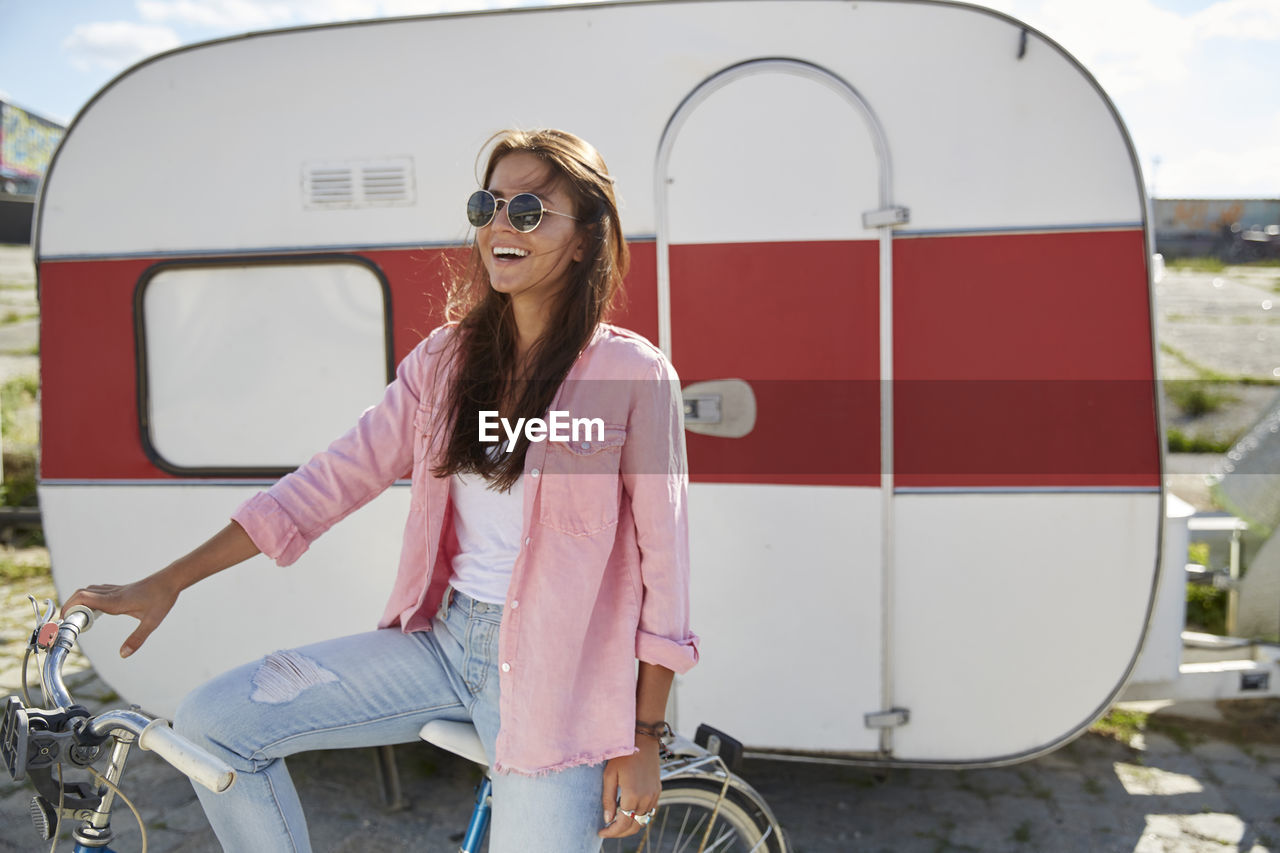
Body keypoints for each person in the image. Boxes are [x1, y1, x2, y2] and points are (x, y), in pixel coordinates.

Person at [63, 128, 699, 853]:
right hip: (443, 642)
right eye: (487, 204)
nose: (500, 224)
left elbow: (665, 568)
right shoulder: (446, 361)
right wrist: (168, 580)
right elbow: (327, 483)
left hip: (563, 687)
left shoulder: (631, 375)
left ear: (585, 239)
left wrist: (644, 733)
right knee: (214, 723)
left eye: (529, 210)